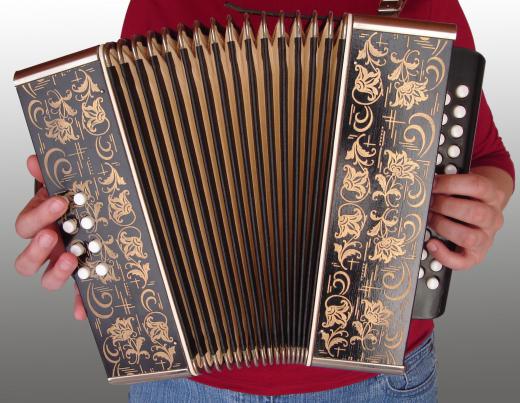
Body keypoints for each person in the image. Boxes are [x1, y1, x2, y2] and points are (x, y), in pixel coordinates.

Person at [14, 0, 514, 401]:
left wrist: (485, 198)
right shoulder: (161, 4)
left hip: (378, 380)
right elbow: (131, 160)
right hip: (184, 382)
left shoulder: (418, 4)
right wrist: (75, 213)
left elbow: (487, 157)